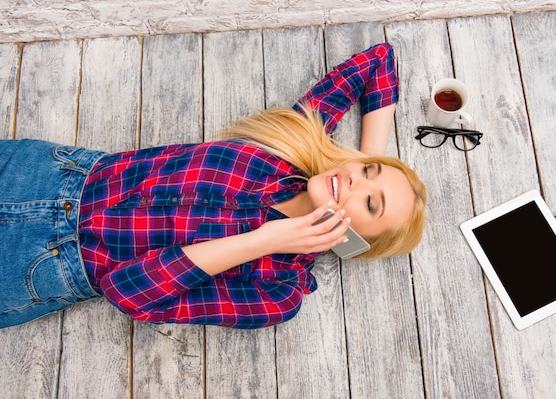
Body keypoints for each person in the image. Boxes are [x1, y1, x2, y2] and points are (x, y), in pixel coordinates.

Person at [0, 43, 426, 330]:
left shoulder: (279, 291)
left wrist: (263, 240)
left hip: (42, 264)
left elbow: (128, 293)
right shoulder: (290, 152)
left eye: (371, 204)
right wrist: (374, 160)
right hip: (45, 172)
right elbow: (378, 62)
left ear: (356, 242)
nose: (355, 178)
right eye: (366, 173)